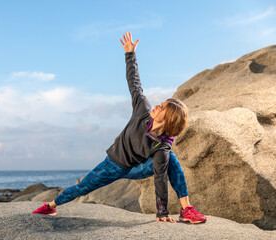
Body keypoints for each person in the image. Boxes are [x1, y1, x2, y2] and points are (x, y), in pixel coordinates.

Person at [32, 32, 206, 224]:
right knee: (83, 187)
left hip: (136, 168)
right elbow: (135, 83)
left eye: (162, 107)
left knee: (170, 159)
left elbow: (160, 179)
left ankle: (186, 209)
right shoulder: (143, 110)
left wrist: (162, 213)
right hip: (113, 165)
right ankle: (50, 207)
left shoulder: (162, 146)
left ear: (168, 120)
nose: (157, 105)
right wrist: (130, 54)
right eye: (161, 103)